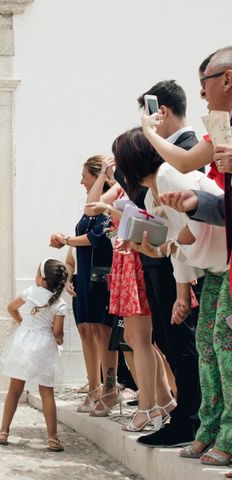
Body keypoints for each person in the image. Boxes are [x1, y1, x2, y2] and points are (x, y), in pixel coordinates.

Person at [115, 127, 226, 452]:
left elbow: (194, 229)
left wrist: (166, 251)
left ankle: (205, 428)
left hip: (222, 269)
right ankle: (203, 427)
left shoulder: (167, 176)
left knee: (215, 352)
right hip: (211, 271)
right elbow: (178, 241)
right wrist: (179, 290)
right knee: (206, 351)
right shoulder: (154, 191)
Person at [50, 155, 116, 415]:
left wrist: (67, 239)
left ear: (98, 176)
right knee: (87, 331)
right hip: (83, 276)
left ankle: (110, 389)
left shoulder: (106, 207)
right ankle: (94, 387)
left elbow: (96, 237)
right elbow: (81, 235)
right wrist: (69, 271)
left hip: (101, 277)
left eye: (85, 176)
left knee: (104, 333)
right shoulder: (89, 209)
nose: (81, 180)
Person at [0, 258, 67, 452]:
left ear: (42, 278)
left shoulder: (30, 292)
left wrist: (21, 322)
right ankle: (52, 438)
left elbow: (11, 308)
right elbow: (58, 333)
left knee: (15, 389)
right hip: (44, 347)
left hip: (23, 344)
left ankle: (3, 431)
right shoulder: (60, 303)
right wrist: (59, 339)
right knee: (46, 392)